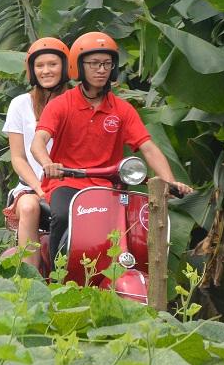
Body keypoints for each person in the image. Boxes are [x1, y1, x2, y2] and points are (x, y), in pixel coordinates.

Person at [30, 31, 194, 262]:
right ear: (79, 66)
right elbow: (39, 142)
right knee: (62, 216)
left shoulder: (122, 109)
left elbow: (148, 147)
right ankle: (58, 277)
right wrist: (48, 164)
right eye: (94, 63)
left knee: (132, 227)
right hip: (67, 182)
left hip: (111, 187)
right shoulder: (61, 105)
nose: (101, 69)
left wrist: (169, 181)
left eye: (107, 63)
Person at [2, 37, 70, 269]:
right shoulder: (21, 104)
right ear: (32, 70)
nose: (46, 70)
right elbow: (18, 157)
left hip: (71, 184)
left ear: (65, 66)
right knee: (30, 207)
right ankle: (31, 279)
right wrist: (41, 189)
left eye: (53, 64)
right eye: (40, 66)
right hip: (33, 186)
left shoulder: (77, 101)